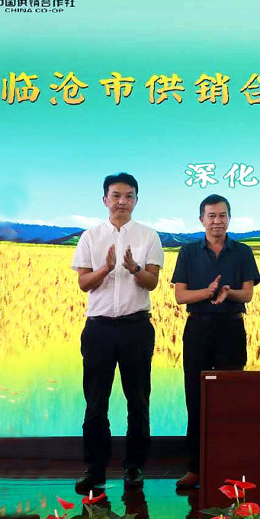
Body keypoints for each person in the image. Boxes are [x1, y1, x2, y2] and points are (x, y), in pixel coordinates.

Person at [71, 173, 163, 492]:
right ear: (105, 199)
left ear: (136, 200)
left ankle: (134, 467)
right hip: (98, 329)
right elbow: (83, 283)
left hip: (136, 327)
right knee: (96, 401)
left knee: (138, 400)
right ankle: (95, 469)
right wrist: (106, 269)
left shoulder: (149, 236)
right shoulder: (90, 236)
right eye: (116, 195)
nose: (122, 201)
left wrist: (134, 268)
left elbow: (153, 282)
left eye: (128, 196)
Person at [171, 194, 260, 489]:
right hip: (197, 329)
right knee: (195, 398)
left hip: (231, 328)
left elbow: (247, 294)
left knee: (230, 400)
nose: (217, 221)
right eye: (211, 216)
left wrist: (227, 292)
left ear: (229, 218)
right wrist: (207, 293)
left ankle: (230, 467)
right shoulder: (188, 252)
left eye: (222, 215)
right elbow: (180, 296)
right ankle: (195, 468)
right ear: (202, 220)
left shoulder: (242, 251)